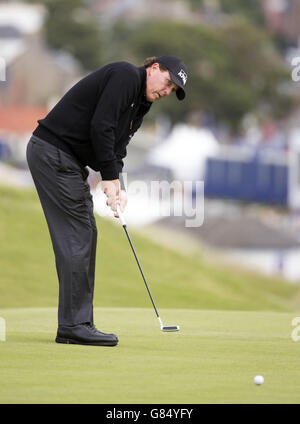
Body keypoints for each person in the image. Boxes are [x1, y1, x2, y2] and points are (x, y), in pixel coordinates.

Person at [26, 55, 188, 347]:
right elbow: (101, 126)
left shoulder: (141, 104)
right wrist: (108, 178)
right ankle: (74, 325)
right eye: (168, 82)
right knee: (78, 234)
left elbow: (117, 148)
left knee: (86, 232)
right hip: (53, 152)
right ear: (154, 69)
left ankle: (79, 322)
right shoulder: (126, 76)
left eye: (172, 91)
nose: (167, 91)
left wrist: (117, 186)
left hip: (66, 160)